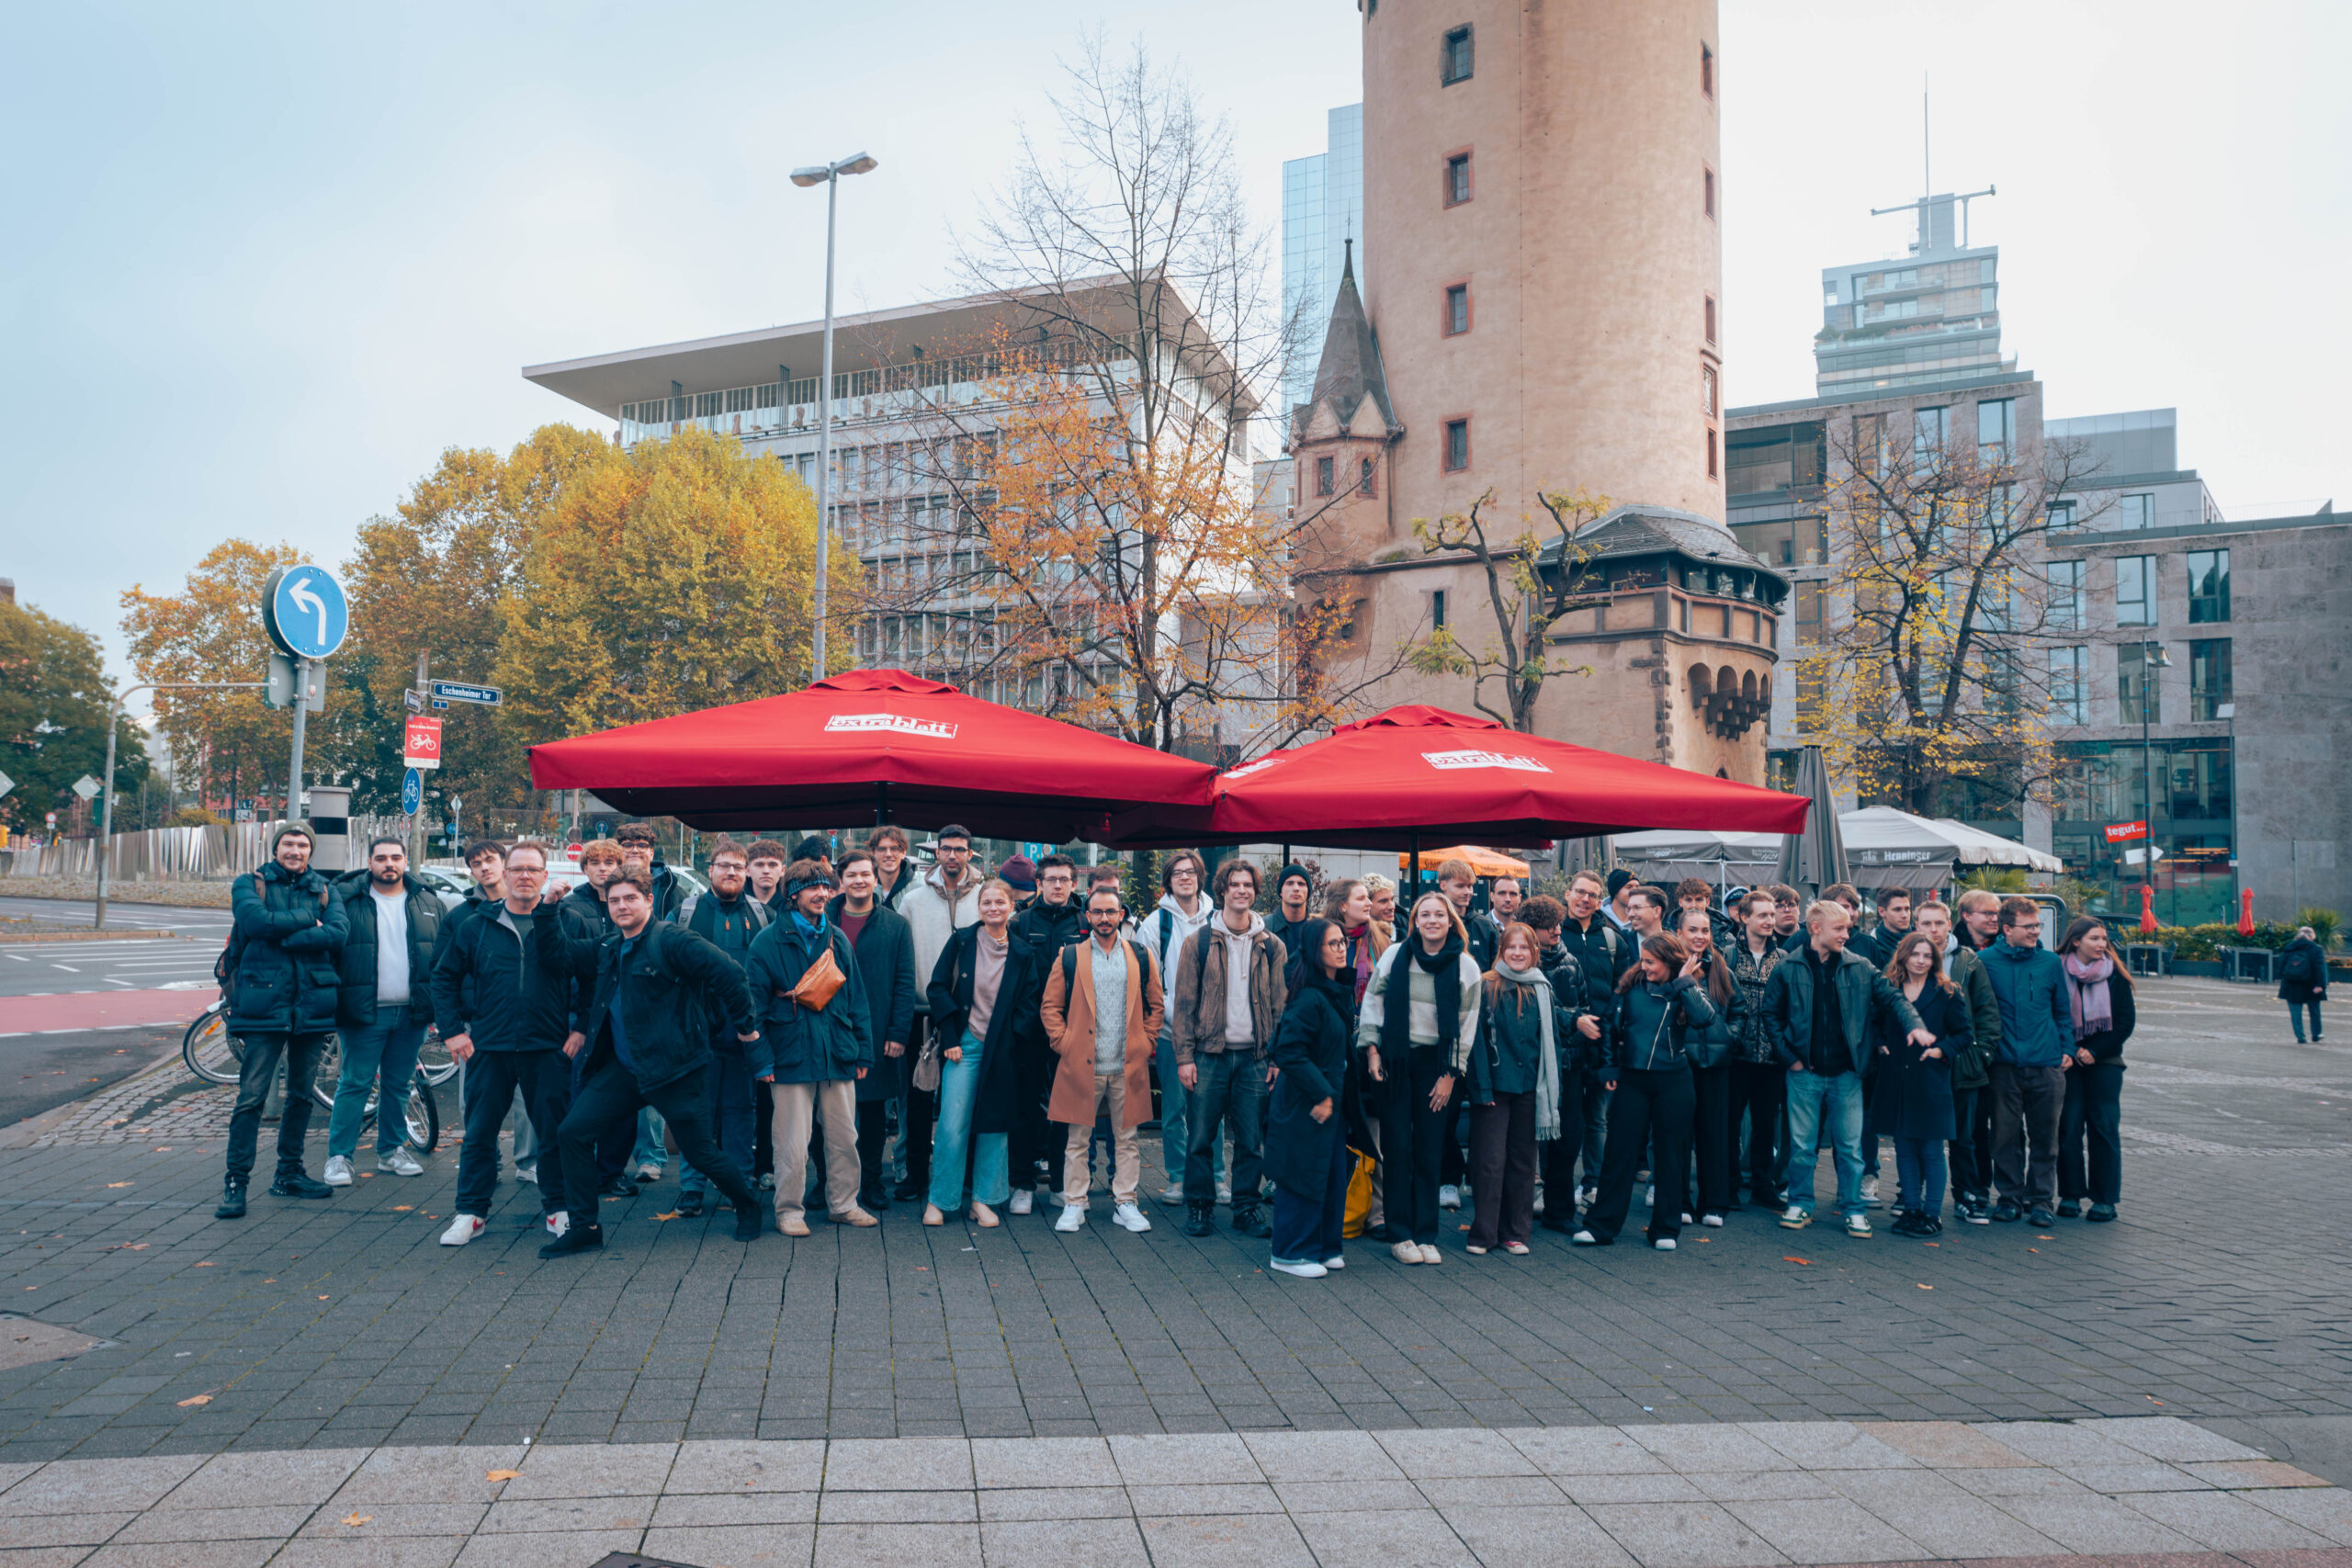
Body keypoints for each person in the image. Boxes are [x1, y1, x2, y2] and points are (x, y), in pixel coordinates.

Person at [534, 865, 771, 1256]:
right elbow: (557, 954)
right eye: (614, 901)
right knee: (572, 1133)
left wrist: (746, 1028)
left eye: (630, 898)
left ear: (648, 900)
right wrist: (547, 908)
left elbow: (730, 974)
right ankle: (584, 1228)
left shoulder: (672, 940)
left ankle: (748, 1204)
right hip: (627, 1069)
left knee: (699, 1152)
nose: (622, 906)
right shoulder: (610, 946)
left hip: (675, 1069)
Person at [429, 841, 576, 1245]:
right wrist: (453, 1030)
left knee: (553, 1132)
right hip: (489, 1046)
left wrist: (578, 1028)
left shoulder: (566, 921)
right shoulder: (476, 925)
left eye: (533, 869)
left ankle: (559, 1209)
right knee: (479, 1132)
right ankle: (471, 1212)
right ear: (505, 875)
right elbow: (443, 978)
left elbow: (587, 975)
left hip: (547, 1046)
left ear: (545, 876)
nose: (525, 876)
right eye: (517, 869)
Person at [1761, 900, 1931, 1238]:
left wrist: (1914, 1023)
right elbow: (1771, 1015)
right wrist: (1790, 1058)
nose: (1846, 933)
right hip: (1803, 1072)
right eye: (1838, 928)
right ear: (1815, 928)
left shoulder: (1861, 966)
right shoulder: (1788, 966)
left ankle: (1853, 1209)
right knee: (1802, 1148)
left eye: (1847, 928)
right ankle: (1800, 1203)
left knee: (1851, 1148)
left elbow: (1894, 998)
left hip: (1847, 1074)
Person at [215, 822, 349, 1220]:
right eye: (288, 844)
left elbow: (340, 933)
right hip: (263, 1003)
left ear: (311, 850)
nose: (295, 850)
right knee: (252, 1098)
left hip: (311, 1004)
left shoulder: (325, 887)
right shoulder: (248, 882)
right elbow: (254, 923)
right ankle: (236, 1182)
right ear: (276, 849)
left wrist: (287, 932)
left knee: (302, 1095)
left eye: (303, 844)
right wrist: (310, 921)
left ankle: (289, 1173)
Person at [742, 858, 876, 1235]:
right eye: (813, 888)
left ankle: (845, 1204)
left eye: (826, 887)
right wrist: (761, 1059)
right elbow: (753, 1008)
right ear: (794, 894)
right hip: (789, 1054)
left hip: (837, 1050)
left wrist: (863, 1050)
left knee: (844, 1138)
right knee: (791, 1143)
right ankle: (788, 1211)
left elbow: (856, 997)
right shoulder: (766, 942)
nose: (822, 894)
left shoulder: (836, 936)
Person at [1357, 892, 1481, 1265]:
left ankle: (1426, 1234)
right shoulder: (1396, 955)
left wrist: (1450, 1075)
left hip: (1437, 1064)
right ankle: (1400, 1235)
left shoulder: (1465, 967)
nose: (1431, 921)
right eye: (1424, 915)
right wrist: (1373, 1051)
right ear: (1415, 921)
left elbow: (1467, 1024)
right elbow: (1372, 1002)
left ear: (1449, 920)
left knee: (1430, 1150)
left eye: (1438, 915)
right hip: (1395, 1059)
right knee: (1398, 1149)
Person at [1572, 933, 1715, 1250]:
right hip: (1632, 1080)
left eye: (1651, 961)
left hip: (1674, 1081)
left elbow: (1706, 1019)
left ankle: (1666, 1228)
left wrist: (1685, 983)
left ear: (1669, 960)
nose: (1644, 966)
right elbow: (1609, 1027)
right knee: (1618, 1154)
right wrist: (1608, 1068)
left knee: (1670, 1155)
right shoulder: (1630, 986)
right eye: (1643, 959)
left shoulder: (1687, 987)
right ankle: (1601, 1226)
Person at [1170, 858, 1288, 1240]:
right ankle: (1200, 1206)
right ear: (1222, 890)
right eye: (1235, 885)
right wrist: (1184, 1058)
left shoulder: (1272, 946)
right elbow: (1184, 1005)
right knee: (1201, 1136)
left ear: (1255, 892)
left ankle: (1245, 1207)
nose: (1242, 891)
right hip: (1209, 1055)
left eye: (1248, 886)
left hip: (1255, 1058)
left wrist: (1275, 1057)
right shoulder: (1199, 942)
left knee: (1251, 1140)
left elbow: (1280, 1006)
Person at [922, 877, 1048, 1227]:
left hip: (1003, 1050)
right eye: (986, 902)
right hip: (964, 1045)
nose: (993, 908)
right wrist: (949, 1038)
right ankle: (940, 1200)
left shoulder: (1023, 954)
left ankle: (984, 1200)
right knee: (951, 1125)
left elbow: (1029, 1005)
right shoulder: (961, 942)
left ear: (1011, 907)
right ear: (978, 907)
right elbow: (937, 989)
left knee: (996, 1125)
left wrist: (1011, 1042)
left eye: (1000, 902)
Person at [1038, 884, 1164, 1234]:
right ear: (1088, 915)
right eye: (1098, 911)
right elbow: (1050, 1007)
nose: (1105, 918)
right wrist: (1064, 1043)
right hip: (1082, 1063)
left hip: (1127, 1064)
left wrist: (1147, 1040)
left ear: (1121, 915)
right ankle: (1075, 1203)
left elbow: (1156, 1005)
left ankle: (1125, 1202)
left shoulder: (1139, 955)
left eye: (1111, 911)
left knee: (1127, 1140)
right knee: (1077, 1140)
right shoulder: (1070, 956)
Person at [325, 837, 442, 1186]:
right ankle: (339, 1157)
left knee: (398, 1085)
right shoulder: (345, 900)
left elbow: (442, 957)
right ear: (370, 862)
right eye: (381, 858)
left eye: (395, 857)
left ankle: (391, 1151)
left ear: (406, 861)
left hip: (411, 1012)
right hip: (364, 1011)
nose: (388, 863)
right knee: (355, 1083)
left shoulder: (428, 902)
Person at [671, 840, 772, 1220]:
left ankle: (738, 1183)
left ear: (746, 874)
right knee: (696, 1112)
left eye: (738, 867)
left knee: (740, 1112)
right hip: (696, 1034)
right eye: (723, 865)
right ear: (709, 870)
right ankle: (692, 1188)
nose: (731, 872)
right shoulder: (684, 912)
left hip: (746, 1033)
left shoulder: (763, 915)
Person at [1265, 919, 1356, 1278]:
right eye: (1333, 943)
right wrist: (1321, 1093)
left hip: (1331, 1101)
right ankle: (1289, 1253)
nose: (1341, 948)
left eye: (1343, 941)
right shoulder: (1308, 997)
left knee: (1331, 1174)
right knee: (1302, 1174)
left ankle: (1324, 1246)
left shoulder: (1335, 991)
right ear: (1315, 951)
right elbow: (1287, 1051)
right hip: (1306, 1102)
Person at [1464, 922, 1562, 1256]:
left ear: (1534, 952)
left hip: (1530, 1088)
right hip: (1493, 1086)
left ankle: (1515, 1232)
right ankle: (1483, 1234)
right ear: (1501, 951)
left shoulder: (1542, 988)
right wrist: (1481, 1088)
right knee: (1489, 1161)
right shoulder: (1486, 985)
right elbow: (1475, 1041)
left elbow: (1552, 1041)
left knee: (1523, 1162)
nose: (1517, 954)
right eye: (1511, 948)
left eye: (1524, 948)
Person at [898, 824, 981, 1203]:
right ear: (936, 853)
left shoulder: (984, 896)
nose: (952, 856)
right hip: (923, 1011)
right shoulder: (914, 900)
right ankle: (916, 1176)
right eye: (945, 849)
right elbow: (903, 957)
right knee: (918, 1099)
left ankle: (963, 1177)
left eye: (959, 849)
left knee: (963, 1099)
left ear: (970, 853)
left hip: (968, 1014)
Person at [831, 848, 917, 1213]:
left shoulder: (895, 925)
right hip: (830, 1028)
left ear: (875, 878)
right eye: (852, 875)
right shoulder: (824, 919)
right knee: (829, 1113)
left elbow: (904, 982)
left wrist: (898, 1034)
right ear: (842, 879)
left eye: (865, 874)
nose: (860, 881)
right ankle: (830, 1182)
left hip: (879, 1029)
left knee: (871, 1113)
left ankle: (869, 1182)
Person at [1979, 897, 2072, 1228]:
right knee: (2004, 1136)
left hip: (2046, 1063)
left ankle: (2042, 1201)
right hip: (2003, 1065)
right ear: (2007, 929)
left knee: (2046, 1137)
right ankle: (2009, 1198)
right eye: (2028, 926)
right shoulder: (1984, 961)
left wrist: (2067, 1048)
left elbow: (2062, 1010)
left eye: (2037, 925)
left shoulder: (2049, 962)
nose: (2036, 931)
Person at [1873, 932, 1971, 1235]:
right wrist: (1880, 1044)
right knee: (1903, 1148)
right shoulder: (1889, 989)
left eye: (1927, 956)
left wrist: (1942, 1049)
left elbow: (1965, 1034)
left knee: (1931, 1150)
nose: (1921, 960)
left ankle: (1932, 1214)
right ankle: (1911, 1209)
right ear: (1903, 956)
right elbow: (1873, 1022)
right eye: (1915, 954)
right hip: (1897, 1079)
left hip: (1931, 1079)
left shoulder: (1947, 992)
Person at [1519, 896, 1603, 1235]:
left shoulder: (1570, 960)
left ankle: (1560, 1211)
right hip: (1533, 1065)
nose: (1556, 930)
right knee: (1529, 1142)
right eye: (1547, 926)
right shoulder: (1521, 962)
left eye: (1557, 923)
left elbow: (1584, 1005)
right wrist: (1575, 1021)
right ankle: (1519, 1210)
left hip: (1570, 1064)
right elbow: (1531, 1011)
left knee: (1568, 1140)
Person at [1136, 851, 1215, 1203]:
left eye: (1191, 872)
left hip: (1215, 1034)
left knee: (1213, 1110)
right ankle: (1179, 1178)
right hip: (1170, 1033)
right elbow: (1149, 983)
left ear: (1200, 877)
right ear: (1168, 881)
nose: (1185, 878)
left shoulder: (1218, 918)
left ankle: (1217, 1178)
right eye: (1178, 873)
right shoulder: (1155, 925)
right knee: (1174, 1111)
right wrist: (1175, 1019)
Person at [1914, 900, 1999, 1224]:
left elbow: (1987, 1014)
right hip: (1921, 1064)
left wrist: (1980, 1056)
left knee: (1966, 1137)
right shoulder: (1907, 958)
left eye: (1939, 923)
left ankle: (1969, 1195)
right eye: (1926, 924)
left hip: (1963, 1065)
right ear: (1916, 926)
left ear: (1950, 924)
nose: (1933, 930)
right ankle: (1911, 1194)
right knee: (1918, 1132)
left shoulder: (1968, 961)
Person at [1010, 852, 1086, 1212]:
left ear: (1074, 883)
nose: (1058, 885)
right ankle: (1022, 1184)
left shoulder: (1086, 923)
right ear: (1038, 883)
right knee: (1025, 1107)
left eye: (1064, 879)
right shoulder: (1020, 923)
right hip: (1029, 1031)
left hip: (1074, 1033)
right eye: (1051, 879)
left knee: (1068, 1110)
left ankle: (1061, 1183)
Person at [1557, 870, 1634, 1205]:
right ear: (1568, 894)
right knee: (1564, 1116)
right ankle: (1555, 1183)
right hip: (1565, 1040)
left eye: (1591, 894)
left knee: (1598, 1118)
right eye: (1580, 892)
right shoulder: (1554, 934)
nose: (1585, 899)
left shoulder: (1612, 937)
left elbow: (1625, 986)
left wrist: (1613, 1029)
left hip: (1603, 1042)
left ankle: (1592, 1184)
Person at [2054, 917, 2133, 1223]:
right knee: (2068, 1127)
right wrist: (2071, 1050)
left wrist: (2095, 1051)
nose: (2101, 945)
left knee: (2104, 1127)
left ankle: (2104, 1199)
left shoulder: (2116, 976)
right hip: (2068, 1059)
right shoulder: (2056, 970)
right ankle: (2071, 1194)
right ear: (2076, 941)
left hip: (2106, 1061)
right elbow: (2050, 1013)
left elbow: (2124, 1023)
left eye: (2103, 939)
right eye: (2094, 939)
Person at [1676, 908, 1745, 1227]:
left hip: (1717, 1066)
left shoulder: (1721, 968)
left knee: (1715, 1136)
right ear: (1679, 933)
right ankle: (1679, 1202)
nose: (1700, 936)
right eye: (1693, 930)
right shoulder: (1671, 967)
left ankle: (1714, 1203)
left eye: (1704, 930)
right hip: (1680, 1066)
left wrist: (1728, 1038)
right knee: (1678, 1137)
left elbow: (1739, 1009)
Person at [1724, 891, 1790, 1213]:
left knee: (1766, 1127)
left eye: (1772, 915)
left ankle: (1763, 1186)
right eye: (1762, 915)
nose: (1769, 921)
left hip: (1772, 1058)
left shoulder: (1785, 959)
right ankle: (1729, 1186)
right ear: (1744, 917)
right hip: (1735, 1056)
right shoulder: (1727, 956)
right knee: (1729, 1126)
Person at [1438, 859, 1498, 971]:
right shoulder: (1433, 924)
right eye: (1460, 886)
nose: (1467, 892)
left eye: (1470, 886)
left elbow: (1496, 970)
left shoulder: (1486, 926)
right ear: (1443, 885)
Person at [1267, 863, 1317, 974]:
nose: (1296, 888)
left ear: (1308, 890)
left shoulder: (1320, 927)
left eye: (1301, 884)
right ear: (1280, 891)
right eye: (1290, 883)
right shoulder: (1264, 927)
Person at [2280, 925, 2328, 1043]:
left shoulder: (2289, 947)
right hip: (2311, 984)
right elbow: (2320, 968)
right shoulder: (2316, 949)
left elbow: (2281, 965)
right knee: (2314, 1010)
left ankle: (2300, 1036)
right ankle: (2316, 1034)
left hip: (2291, 984)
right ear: (2312, 936)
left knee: (2295, 1011)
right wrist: (2320, 985)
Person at [1850, 887, 1915, 971]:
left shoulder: (1922, 942)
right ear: (1881, 912)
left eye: (1907, 909)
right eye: (1897, 909)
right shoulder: (1869, 945)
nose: (1904, 915)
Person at [868, 825, 917, 910]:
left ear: (903, 853)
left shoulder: (917, 891)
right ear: (873, 853)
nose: (888, 854)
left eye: (894, 849)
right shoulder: (865, 890)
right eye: (882, 849)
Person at [746, 839, 792, 916]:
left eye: (772, 865)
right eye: (759, 865)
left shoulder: (792, 903)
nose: (766, 871)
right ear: (747, 870)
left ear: (782, 870)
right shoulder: (735, 902)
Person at [1954, 887, 2004, 952]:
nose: (1995, 919)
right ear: (1967, 916)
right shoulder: (1952, 949)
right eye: (1988, 913)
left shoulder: (2010, 947)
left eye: (1997, 913)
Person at [1770, 885, 1806, 953]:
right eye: (1780, 906)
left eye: (1791, 905)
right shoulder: (1766, 940)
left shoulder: (1811, 934)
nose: (1787, 910)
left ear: (1798, 908)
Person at [1363, 874, 1398, 942]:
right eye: (1384, 901)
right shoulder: (1359, 937)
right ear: (1367, 904)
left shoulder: (1406, 928)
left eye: (1392, 899)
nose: (1392, 907)